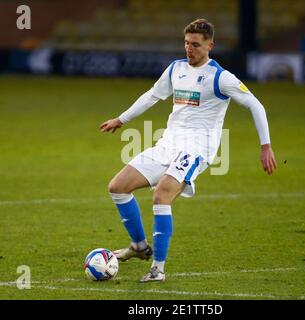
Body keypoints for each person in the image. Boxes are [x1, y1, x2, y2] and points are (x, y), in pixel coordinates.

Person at [100, 19, 277, 282]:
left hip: (196, 149)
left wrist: (266, 146)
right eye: (186, 43)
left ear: (210, 45)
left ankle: (158, 270)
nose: (189, 49)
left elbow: (256, 105)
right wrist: (122, 119)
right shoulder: (176, 69)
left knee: (161, 196)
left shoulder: (220, 77)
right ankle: (138, 246)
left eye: (195, 44)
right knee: (117, 186)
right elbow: (151, 95)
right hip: (167, 144)